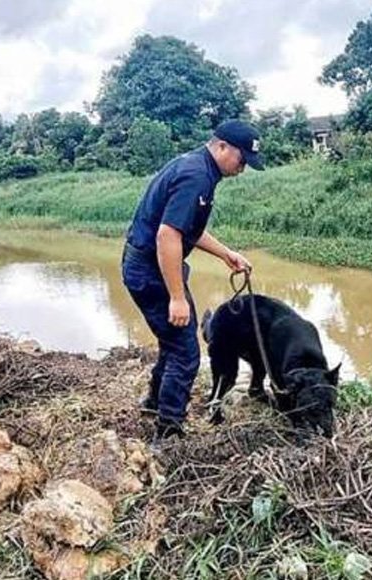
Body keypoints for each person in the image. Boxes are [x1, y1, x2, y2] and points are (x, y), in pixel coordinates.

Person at [121, 120, 261, 446]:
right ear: (222, 146)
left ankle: (154, 404)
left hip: (148, 265)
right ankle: (168, 432)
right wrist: (176, 297)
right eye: (242, 160)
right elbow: (167, 236)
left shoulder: (198, 168)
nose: (243, 168)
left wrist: (226, 254)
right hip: (151, 270)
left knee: (173, 343)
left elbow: (187, 228)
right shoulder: (197, 175)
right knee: (185, 353)